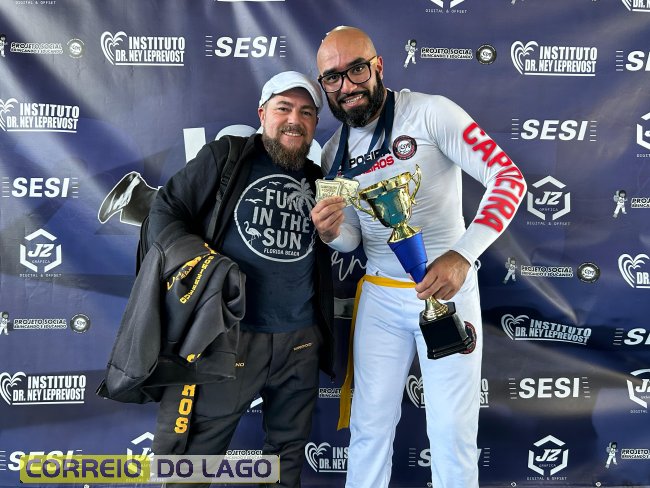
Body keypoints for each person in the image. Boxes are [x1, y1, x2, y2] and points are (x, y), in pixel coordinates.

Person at [311, 26, 526, 488]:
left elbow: (508, 178)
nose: (346, 85)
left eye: (356, 69)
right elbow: (352, 238)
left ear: (378, 67)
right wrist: (331, 233)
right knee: (368, 429)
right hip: (380, 298)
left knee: (451, 433)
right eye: (332, 77)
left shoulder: (431, 112)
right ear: (323, 85)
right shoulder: (332, 154)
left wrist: (463, 254)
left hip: (447, 294)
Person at [146, 71, 335, 487]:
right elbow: (165, 211)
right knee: (193, 459)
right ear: (262, 114)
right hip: (229, 337)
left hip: (300, 341)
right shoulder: (226, 156)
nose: (295, 120)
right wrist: (198, 270)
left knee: (286, 460)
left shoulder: (320, 179)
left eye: (306, 113)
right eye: (284, 108)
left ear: (315, 124)